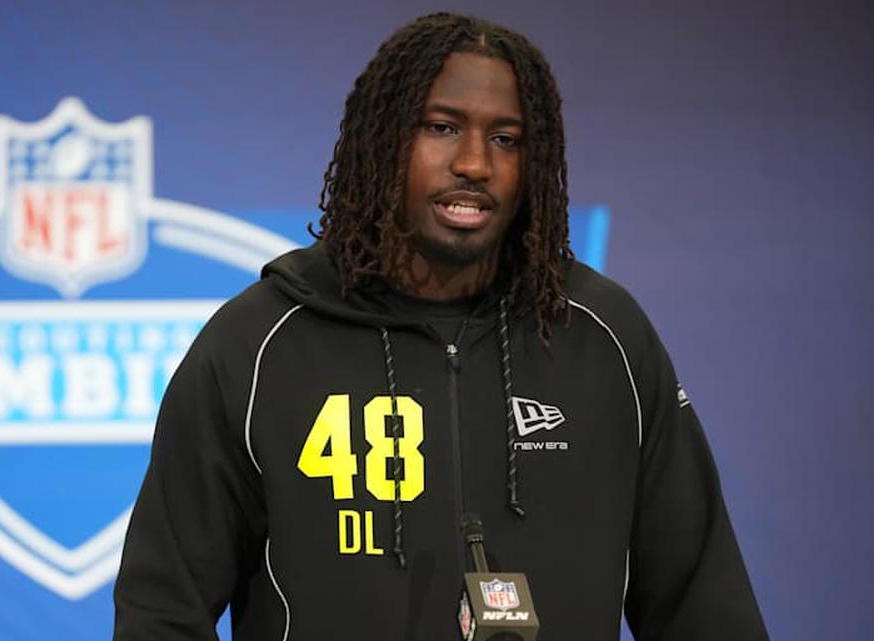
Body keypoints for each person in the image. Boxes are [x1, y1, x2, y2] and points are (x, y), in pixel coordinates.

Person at [113, 11, 769, 641]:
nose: (475, 163)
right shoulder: (258, 344)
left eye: (506, 138)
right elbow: (162, 611)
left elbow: (703, 608)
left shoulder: (604, 337)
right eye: (442, 127)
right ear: (381, 142)